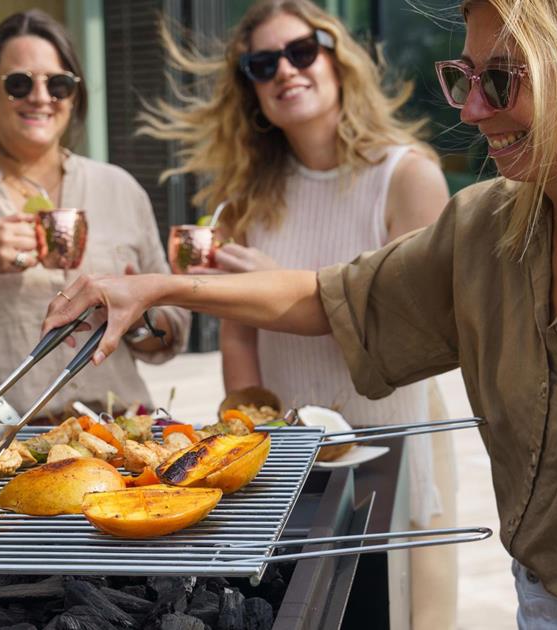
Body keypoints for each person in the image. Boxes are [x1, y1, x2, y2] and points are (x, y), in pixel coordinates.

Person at [44, 0, 557, 626]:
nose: (470, 110)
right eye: (462, 77)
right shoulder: (492, 224)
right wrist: (156, 287)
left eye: (500, 80)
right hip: (534, 598)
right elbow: (333, 297)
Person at [139, 1, 459, 626]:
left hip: (385, 443)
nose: (285, 70)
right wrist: (245, 436)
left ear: (337, 59)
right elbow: (239, 342)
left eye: (302, 51)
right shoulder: (245, 200)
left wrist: (271, 279)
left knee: (389, 610)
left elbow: (419, 331)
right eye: (263, 63)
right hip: (289, 460)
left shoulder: (408, 177)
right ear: (251, 90)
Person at [0, 10, 189, 418]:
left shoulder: (119, 188)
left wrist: (136, 320)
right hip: (12, 446)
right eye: (19, 83)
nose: (41, 97)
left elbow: (171, 328)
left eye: (59, 84)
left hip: (123, 435)